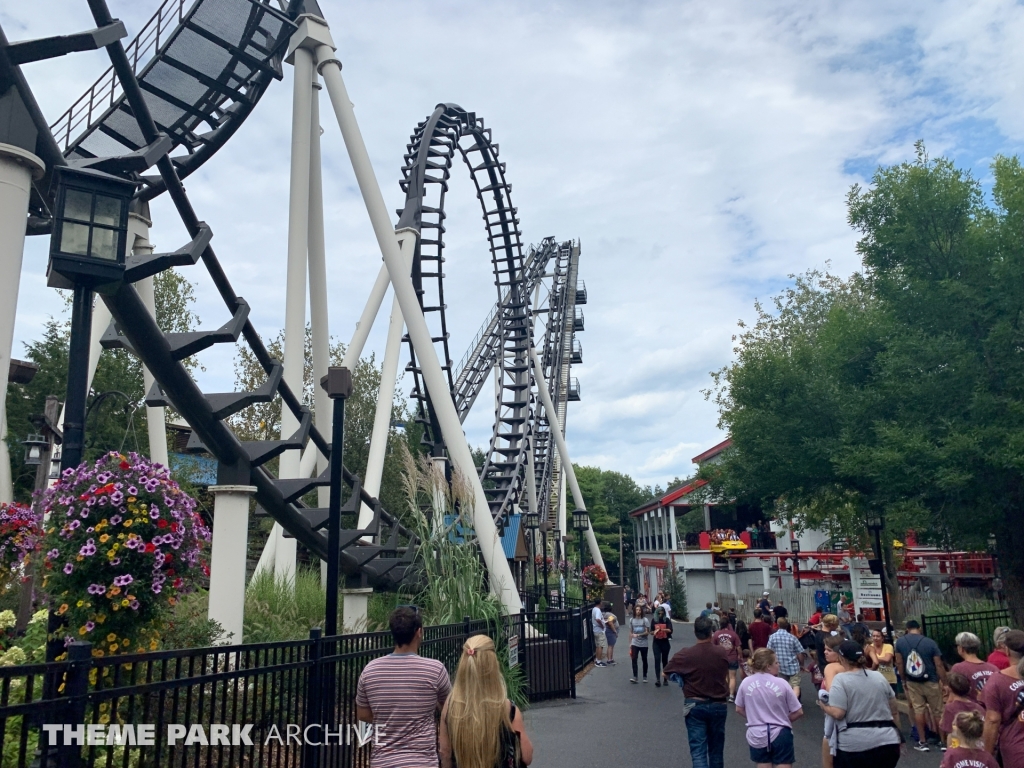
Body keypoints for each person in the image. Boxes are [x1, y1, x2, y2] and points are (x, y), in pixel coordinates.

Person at [356, 606, 451, 768]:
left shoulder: (370, 670)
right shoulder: (435, 670)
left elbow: (363, 715)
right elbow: (449, 710)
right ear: (419, 632)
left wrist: (391, 719)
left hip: (383, 761)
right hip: (422, 762)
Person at [439, 634, 533, 768]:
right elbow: (526, 757)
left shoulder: (451, 707)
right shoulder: (508, 709)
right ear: (493, 666)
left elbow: (445, 752)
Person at [817, 640, 902, 768]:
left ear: (841, 658)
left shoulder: (841, 679)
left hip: (855, 745)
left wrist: (824, 706)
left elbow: (838, 713)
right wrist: (899, 737)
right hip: (887, 740)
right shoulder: (879, 677)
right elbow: (894, 711)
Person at [664, 616, 731, 768]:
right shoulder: (721, 652)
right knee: (716, 751)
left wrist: (681, 678)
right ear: (711, 632)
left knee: (698, 751)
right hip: (718, 704)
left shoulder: (685, 654)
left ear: (695, 632)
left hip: (695, 703)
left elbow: (666, 673)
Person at [735, 648, 804, 768]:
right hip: (780, 732)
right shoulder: (782, 683)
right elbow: (798, 711)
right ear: (768, 666)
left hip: (757, 733)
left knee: (763, 763)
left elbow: (739, 708)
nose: (778, 665)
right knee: (783, 763)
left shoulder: (746, 683)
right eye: (776, 662)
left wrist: (754, 718)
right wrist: (784, 720)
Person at [895, 618, 947, 752]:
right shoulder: (930, 642)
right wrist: (945, 682)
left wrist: (903, 679)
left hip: (912, 680)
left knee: (918, 710)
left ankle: (923, 741)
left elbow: (899, 663)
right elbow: (939, 664)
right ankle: (943, 741)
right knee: (938, 711)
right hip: (931, 680)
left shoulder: (900, 642)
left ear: (907, 629)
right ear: (919, 629)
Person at [981, 629, 1024, 762]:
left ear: (1007, 651)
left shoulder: (997, 681)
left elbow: (992, 720)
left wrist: (987, 756)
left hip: (1015, 749)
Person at [940, 672, 985, 749]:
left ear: (950, 689)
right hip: (977, 746)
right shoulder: (978, 707)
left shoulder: (950, 708)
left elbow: (949, 732)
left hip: (958, 747)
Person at [950, 631, 998, 700]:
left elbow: (954, 693)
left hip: (970, 706)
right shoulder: (993, 668)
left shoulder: (958, 668)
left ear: (961, 648)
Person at [767, 618, 806, 700]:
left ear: (778, 625)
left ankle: (784, 701)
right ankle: (795, 701)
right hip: (793, 667)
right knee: (795, 686)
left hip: (779, 666)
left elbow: (769, 652)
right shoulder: (792, 638)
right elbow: (800, 653)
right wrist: (802, 664)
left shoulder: (772, 637)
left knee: (782, 686)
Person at [713, 617, 743, 702]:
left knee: (724, 676)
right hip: (732, 658)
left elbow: (713, 646)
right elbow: (738, 647)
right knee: (732, 677)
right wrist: (740, 655)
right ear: (728, 624)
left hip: (721, 658)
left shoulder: (716, 634)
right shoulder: (733, 634)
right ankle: (731, 695)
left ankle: (726, 691)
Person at [865, 629, 897, 693]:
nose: (875, 638)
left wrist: (873, 658)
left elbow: (887, 659)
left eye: (878, 636)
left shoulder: (888, 646)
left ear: (882, 638)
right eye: (873, 636)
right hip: (874, 680)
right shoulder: (868, 648)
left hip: (889, 680)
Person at [651, 605, 674, 687]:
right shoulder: (654, 620)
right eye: (659, 613)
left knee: (665, 660)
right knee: (657, 659)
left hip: (665, 642)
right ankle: (658, 679)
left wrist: (661, 629)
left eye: (662, 613)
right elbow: (651, 631)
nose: (660, 615)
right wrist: (654, 632)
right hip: (656, 642)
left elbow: (670, 630)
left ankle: (665, 679)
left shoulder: (666, 620)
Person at [628, 604, 650, 683]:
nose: (638, 611)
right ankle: (635, 676)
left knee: (644, 659)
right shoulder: (631, 620)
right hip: (635, 642)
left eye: (639, 610)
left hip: (644, 643)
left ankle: (645, 676)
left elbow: (647, 632)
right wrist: (630, 643)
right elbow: (631, 632)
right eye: (637, 610)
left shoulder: (645, 620)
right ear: (634, 611)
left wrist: (638, 635)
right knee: (634, 658)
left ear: (641, 611)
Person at [591, 596, 608, 667]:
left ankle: (597, 659)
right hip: (599, 630)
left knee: (598, 645)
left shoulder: (594, 609)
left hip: (595, 629)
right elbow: (598, 619)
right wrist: (602, 625)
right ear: (600, 602)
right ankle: (599, 661)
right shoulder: (598, 610)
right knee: (600, 646)